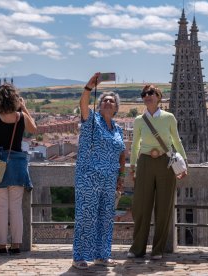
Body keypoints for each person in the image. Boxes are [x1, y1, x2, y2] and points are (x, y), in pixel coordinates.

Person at [72, 73, 126, 270]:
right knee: (86, 216)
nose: (108, 102)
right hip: (89, 177)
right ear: (100, 104)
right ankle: (80, 257)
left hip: (109, 179)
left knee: (105, 217)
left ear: (116, 107)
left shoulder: (118, 129)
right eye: (104, 100)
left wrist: (121, 176)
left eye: (112, 101)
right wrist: (89, 87)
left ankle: (102, 255)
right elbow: (84, 104)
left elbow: (122, 153)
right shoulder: (91, 120)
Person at [128, 84, 187, 260]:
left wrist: (184, 164)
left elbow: (176, 140)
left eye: (151, 93)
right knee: (141, 207)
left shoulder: (169, 118)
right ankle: (137, 248)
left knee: (164, 208)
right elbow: (135, 145)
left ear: (158, 96)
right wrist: (132, 166)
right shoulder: (139, 120)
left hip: (165, 162)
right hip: (145, 162)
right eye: (144, 94)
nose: (147, 96)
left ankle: (158, 249)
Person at [0, 83, 37, 254]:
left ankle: (1, 245)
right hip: (17, 164)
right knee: (15, 207)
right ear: (15, 99)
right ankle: (16, 245)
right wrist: (24, 108)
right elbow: (33, 129)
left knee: (0, 208)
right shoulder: (21, 117)